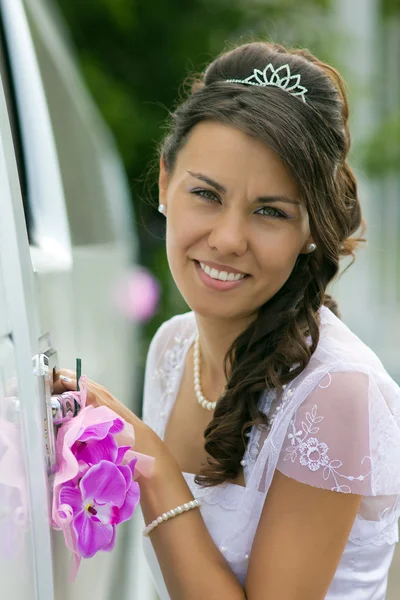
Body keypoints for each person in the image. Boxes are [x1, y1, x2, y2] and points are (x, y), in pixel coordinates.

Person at [53, 41, 400, 599]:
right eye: (206, 195)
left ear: (311, 227)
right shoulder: (172, 347)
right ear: (166, 184)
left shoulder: (333, 393)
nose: (228, 239)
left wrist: (153, 465)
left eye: (270, 211)